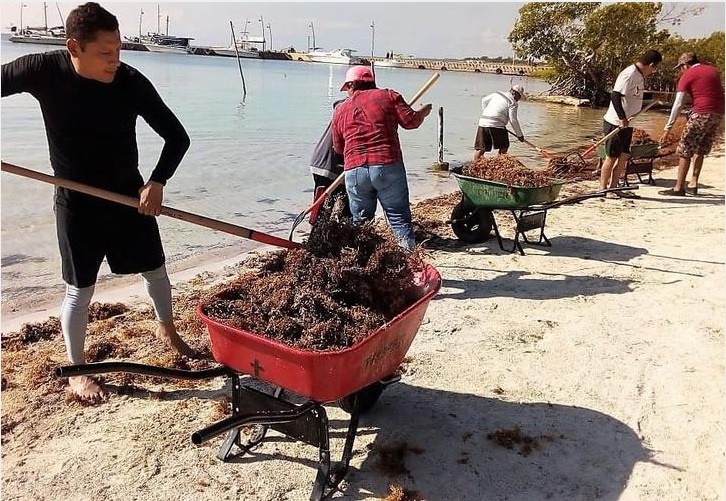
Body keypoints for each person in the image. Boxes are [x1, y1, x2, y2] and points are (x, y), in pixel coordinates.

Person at [1, 2, 194, 402]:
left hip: (128, 199)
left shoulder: (131, 82)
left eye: (119, 49)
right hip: (76, 204)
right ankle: (77, 371)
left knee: (156, 271)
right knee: (79, 291)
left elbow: (178, 137)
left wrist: (157, 182)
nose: (115, 60)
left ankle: (167, 327)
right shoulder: (41, 69)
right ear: (74, 47)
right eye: (106, 53)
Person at [331, 65, 432, 251]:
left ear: (352, 84)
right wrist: (423, 113)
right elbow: (411, 122)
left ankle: (363, 267)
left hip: (354, 171)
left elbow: (338, 148)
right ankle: (408, 266)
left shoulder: (339, 110)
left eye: (347, 88)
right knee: (398, 218)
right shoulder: (388, 96)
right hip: (387, 166)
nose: (347, 93)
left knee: (361, 225)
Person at [658, 52, 725, 196]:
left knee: (684, 149)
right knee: (701, 148)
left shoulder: (687, 75)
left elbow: (678, 104)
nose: (680, 71)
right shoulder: (712, 70)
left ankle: (679, 187)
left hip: (701, 112)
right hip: (718, 113)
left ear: (685, 65)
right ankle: (693, 183)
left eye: (680, 68)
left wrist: (667, 128)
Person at [599, 49, 662, 197]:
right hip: (616, 122)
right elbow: (615, 96)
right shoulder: (629, 74)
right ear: (651, 64)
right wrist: (622, 118)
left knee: (624, 155)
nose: (654, 71)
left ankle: (614, 187)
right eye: (655, 68)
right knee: (611, 156)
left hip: (629, 123)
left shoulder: (639, 76)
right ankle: (603, 188)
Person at [308, 99, 351, 224]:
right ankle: (315, 234)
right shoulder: (348, 112)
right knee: (322, 206)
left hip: (332, 164)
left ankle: (331, 231)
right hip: (327, 164)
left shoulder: (346, 108)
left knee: (341, 201)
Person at [472, 84, 525, 161]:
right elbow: (513, 120)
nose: (518, 99)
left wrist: (486, 113)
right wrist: (520, 135)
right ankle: (499, 163)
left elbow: (484, 100)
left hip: (483, 122)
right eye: (519, 97)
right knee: (504, 146)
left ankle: (475, 165)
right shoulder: (512, 103)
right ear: (515, 94)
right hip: (497, 125)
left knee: (480, 148)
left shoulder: (497, 94)